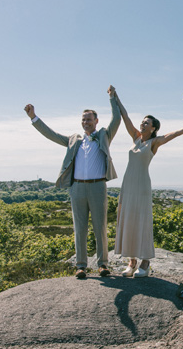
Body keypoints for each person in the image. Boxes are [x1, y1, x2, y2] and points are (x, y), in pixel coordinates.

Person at [109, 85, 183, 277]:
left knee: (142, 221)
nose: (142, 124)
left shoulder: (154, 142)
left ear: (153, 128)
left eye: (147, 123)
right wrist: (115, 97)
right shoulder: (136, 138)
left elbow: (175, 134)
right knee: (128, 219)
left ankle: (145, 263)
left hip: (142, 186)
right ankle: (131, 262)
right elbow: (125, 116)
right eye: (142, 122)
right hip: (128, 185)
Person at [24, 91, 120, 278]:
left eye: (89, 119)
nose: (86, 122)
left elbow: (116, 119)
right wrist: (34, 118)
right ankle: (81, 266)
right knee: (80, 227)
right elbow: (51, 135)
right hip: (77, 188)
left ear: (96, 121)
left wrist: (112, 98)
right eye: (83, 120)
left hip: (98, 186)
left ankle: (102, 264)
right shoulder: (74, 140)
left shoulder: (104, 136)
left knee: (100, 227)